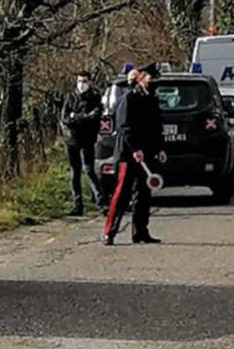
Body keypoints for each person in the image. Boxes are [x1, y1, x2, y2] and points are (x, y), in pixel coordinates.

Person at [103, 63, 165, 245]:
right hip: (128, 154)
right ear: (142, 78)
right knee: (121, 195)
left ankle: (140, 232)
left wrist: (159, 148)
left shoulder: (152, 99)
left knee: (143, 195)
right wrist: (135, 149)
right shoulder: (129, 99)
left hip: (147, 155)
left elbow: (156, 127)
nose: (154, 83)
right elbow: (124, 126)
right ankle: (109, 232)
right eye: (151, 79)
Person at [60, 69, 104, 216]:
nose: (81, 84)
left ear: (89, 82)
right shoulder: (70, 97)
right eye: (79, 81)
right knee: (75, 172)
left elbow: (94, 117)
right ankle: (77, 205)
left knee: (89, 170)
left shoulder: (95, 97)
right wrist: (80, 118)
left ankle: (101, 202)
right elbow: (65, 118)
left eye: (84, 81)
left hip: (87, 139)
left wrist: (77, 117)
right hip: (71, 139)